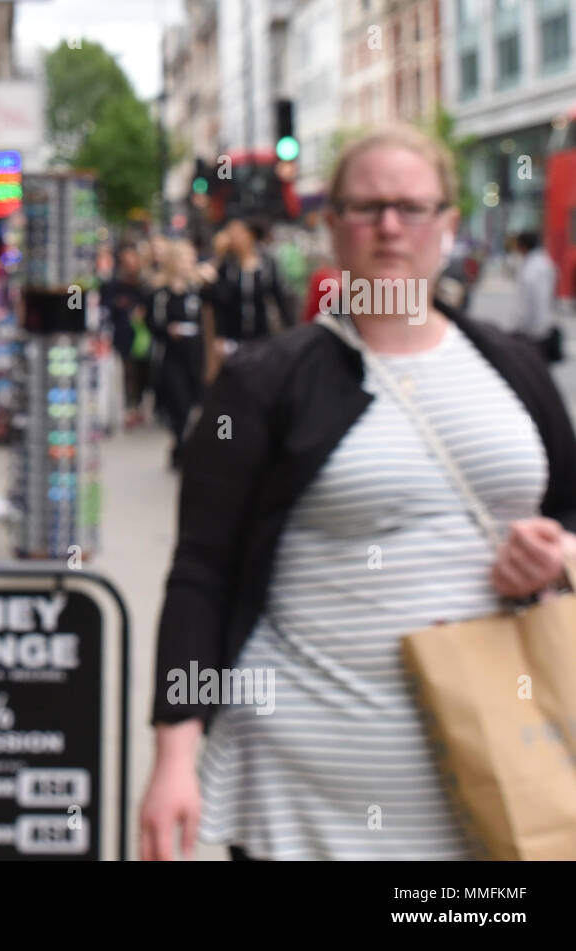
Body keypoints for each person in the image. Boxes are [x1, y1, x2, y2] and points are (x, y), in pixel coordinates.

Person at [139, 124, 576, 861]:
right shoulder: (264, 383)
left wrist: (561, 553)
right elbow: (201, 574)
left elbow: (568, 507)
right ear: (332, 224)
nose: (390, 226)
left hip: (498, 777)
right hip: (304, 792)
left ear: (448, 223)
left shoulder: (515, 369)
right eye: (367, 207)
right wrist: (174, 754)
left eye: (411, 206)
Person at [201, 217, 293, 383]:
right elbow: (217, 303)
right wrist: (219, 336)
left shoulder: (266, 264)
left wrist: (290, 332)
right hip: (234, 337)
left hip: (262, 335)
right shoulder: (227, 266)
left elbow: (280, 299)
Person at [147, 239, 205, 469]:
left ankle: (188, 445)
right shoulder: (160, 293)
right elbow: (151, 322)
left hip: (195, 354)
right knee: (178, 402)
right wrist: (167, 330)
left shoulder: (197, 290)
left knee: (195, 403)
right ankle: (180, 446)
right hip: (171, 356)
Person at [100, 244, 152, 428]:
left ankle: (137, 407)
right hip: (122, 335)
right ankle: (128, 409)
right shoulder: (113, 285)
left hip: (140, 336)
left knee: (141, 372)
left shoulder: (144, 285)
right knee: (125, 371)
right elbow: (107, 306)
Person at [514, 231, 561, 362]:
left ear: (523, 246)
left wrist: (520, 326)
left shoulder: (530, 269)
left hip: (532, 331)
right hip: (546, 325)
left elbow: (526, 302)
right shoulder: (546, 263)